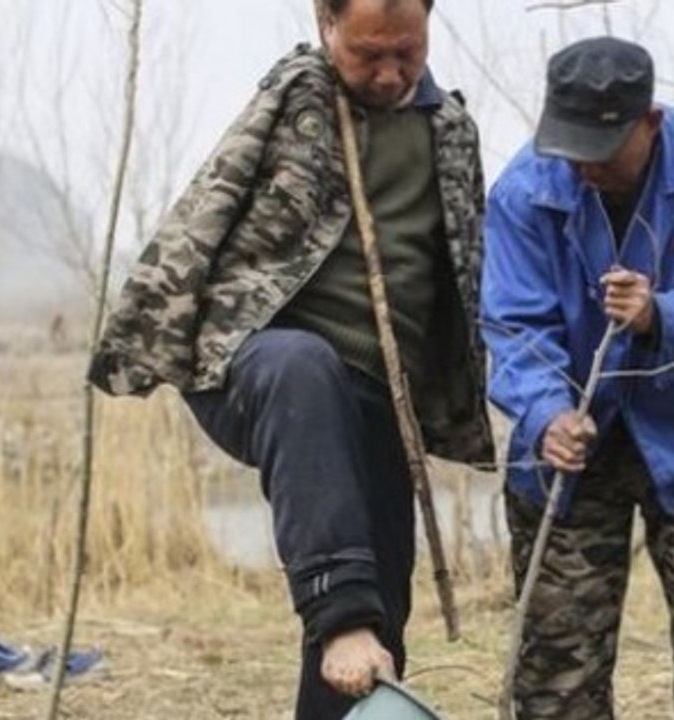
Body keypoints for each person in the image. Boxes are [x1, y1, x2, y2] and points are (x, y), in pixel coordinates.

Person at [88, 0, 494, 717]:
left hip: (378, 396)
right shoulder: (299, 95)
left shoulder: (452, 134)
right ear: (325, 25)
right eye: (368, 54)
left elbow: (470, 275)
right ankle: (338, 616)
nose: (390, 72)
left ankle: (349, 633)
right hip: (259, 366)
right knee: (304, 366)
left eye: (408, 51)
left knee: (379, 616)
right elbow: (205, 209)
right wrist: (144, 333)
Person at [481, 36, 674, 720]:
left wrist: (661, 316)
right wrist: (547, 414)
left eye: (602, 149)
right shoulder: (524, 192)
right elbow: (513, 325)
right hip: (567, 454)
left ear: (650, 123)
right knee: (557, 670)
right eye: (571, 146)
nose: (584, 167)